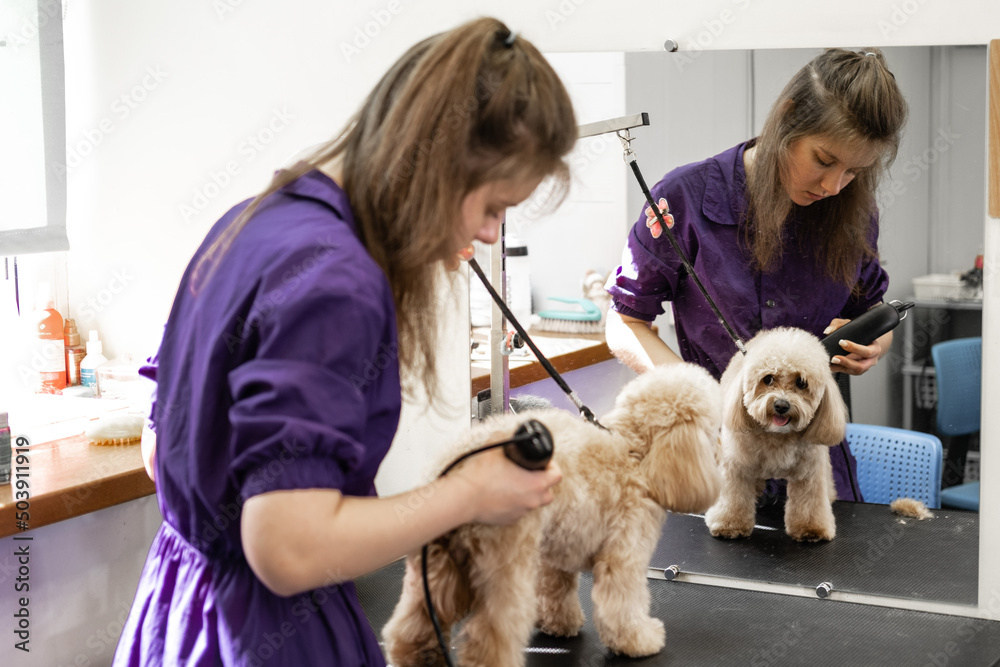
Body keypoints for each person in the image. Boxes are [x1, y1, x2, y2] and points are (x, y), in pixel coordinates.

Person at [114, 18, 573, 666]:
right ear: (439, 167)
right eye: (493, 206)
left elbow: (162, 448)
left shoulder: (253, 220)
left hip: (180, 618)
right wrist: (468, 494)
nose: (493, 234)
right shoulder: (337, 280)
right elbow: (287, 549)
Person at [605, 48, 908, 501]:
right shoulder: (683, 201)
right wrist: (707, 397)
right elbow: (625, 322)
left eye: (855, 171)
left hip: (814, 474)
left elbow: (871, 312)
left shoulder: (852, 212)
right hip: (716, 461)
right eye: (824, 160)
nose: (833, 186)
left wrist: (872, 345)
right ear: (787, 119)